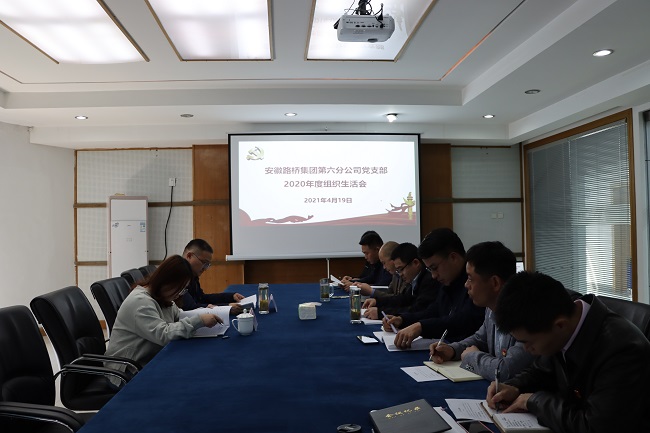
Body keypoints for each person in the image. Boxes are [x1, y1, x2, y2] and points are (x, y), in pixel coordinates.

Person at [486, 271, 650, 432]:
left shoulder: (622, 350)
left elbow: (594, 427)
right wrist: (514, 387)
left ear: (560, 325)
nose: (526, 349)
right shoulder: (561, 320)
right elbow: (541, 372)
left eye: (528, 342)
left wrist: (535, 401)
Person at [105, 255, 221, 384]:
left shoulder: (162, 297)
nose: (179, 294)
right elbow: (164, 334)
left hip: (147, 360)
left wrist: (207, 313)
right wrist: (199, 320)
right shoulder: (140, 302)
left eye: (183, 289)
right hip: (127, 370)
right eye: (179, 288)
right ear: (166, 281)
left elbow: (180, 315)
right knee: (186, 377)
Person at [429, 241, 535, 381]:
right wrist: (452, 350)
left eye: (470, 278)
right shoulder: (491, 308)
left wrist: (472, 356)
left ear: (495, 283)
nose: (466, 285)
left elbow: (505, 371)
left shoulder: (526, 314)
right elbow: (480, 339)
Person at [384, 228, 485, 349]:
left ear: (453, 257)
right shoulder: (449, 281)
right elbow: (434, 311)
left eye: (435, 268)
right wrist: (403, 319)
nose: (433, 275)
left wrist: (421, 327)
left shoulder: (476, 282)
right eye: (429, 269)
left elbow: (463, 321)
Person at [362, 242, 438, 319]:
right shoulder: (416, 279)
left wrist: (381, 313)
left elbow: (416, 310)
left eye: (401, 269)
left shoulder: (429, 281)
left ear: (416, 263)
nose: (400, 274)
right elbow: (403, 299)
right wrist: (377, 301)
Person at [179, 239, 245, 313]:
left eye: (207, 265)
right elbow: (191, 308)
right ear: (189, 256)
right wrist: (227, 308)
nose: (205, 268)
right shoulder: (177, 276)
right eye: (203, 262)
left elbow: (201, 298)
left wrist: (231, 297)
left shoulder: (192, 275)